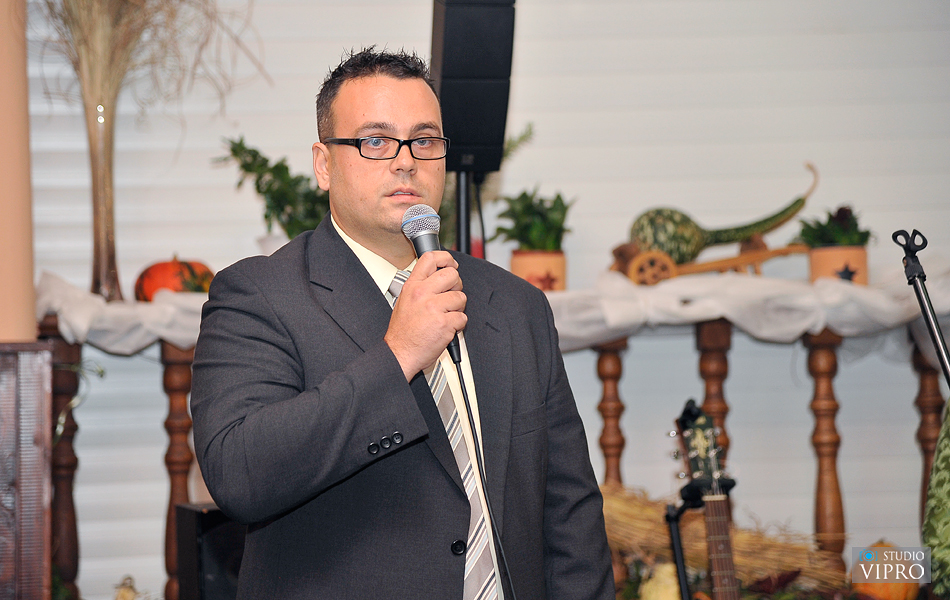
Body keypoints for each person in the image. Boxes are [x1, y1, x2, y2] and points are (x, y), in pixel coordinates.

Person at [191, 47, 614, 600]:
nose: (406, 161)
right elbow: (239, 475)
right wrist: (398, 356)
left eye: (425, 140)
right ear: (324, 164)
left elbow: (570, 514)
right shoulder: (260, 295)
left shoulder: (515, 305)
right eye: (375, 141)